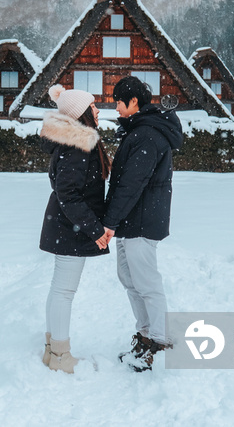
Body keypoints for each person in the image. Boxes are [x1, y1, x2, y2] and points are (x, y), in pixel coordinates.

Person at [103, 76, 183, 372]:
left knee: (146, 282)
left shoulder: (147, 135)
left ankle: (160, 342)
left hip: (141, 220)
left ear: (134, 102)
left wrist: (109, 222)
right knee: (129, 279)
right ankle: (146, 334)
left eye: (119, 102)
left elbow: (132, 184)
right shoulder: (138, 131)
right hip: (131, 220)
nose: (116, 107)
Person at [39, 84, 111, 373]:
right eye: (92, 106)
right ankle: (59, 355)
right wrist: (95, 230)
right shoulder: (78, 146)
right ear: (82, 113)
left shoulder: (76, 142)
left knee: (60, 289)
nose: (97, 109)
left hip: (68, 226)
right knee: (63, 292)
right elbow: (69, 195)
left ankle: (51, 350)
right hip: (71, 228)